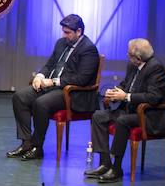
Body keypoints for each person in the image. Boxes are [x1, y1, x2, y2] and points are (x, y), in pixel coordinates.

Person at [8, 13, 99, 160]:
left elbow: (81, 79)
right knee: (20, 97)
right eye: (63, 31)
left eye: (68, 32)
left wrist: (53, 82)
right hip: (53, 88)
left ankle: (37, 147)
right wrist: (40, 76)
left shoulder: (89, 49)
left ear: (79, 31)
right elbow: (50, 64)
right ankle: (26, 143)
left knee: (41, 103)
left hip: (72, 93)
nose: (64, 35)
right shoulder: (61, 43)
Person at [85, 38, 165, 183]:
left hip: (151, 116)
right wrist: (115, 93)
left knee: (122, 120)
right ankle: (105, 163)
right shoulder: (133, 66)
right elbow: (126, 84)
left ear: (138, 58)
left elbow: (153, 98)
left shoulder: (155, 69)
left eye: (129, 55)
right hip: (132, 111)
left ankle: (117, 169)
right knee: (98, 116)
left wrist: (126, 96)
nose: (127, 57)